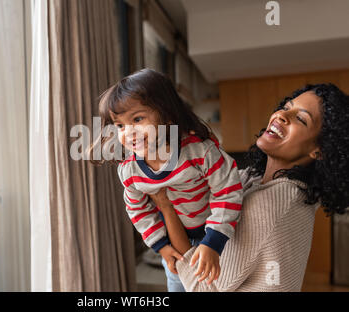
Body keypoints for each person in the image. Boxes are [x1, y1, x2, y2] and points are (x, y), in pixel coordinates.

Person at [149, 83, 349, 291]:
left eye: (300, 118)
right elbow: (214, 187)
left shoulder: (269, 204)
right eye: (287, 106)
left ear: (319, 151)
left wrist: (165, 206)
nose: (282, 115)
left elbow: (203, 288)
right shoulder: (259, 180)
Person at [91, 68, 243, 291]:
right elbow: (138, 210)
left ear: (167, 114)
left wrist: (214, 242)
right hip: (174, 239)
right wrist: (161, 246)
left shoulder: (200, 151)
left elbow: (228, 190)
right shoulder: (129, 170)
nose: (128, 132)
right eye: (120, 125)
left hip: (217, 232)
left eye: (138, 119)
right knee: (178, 285)